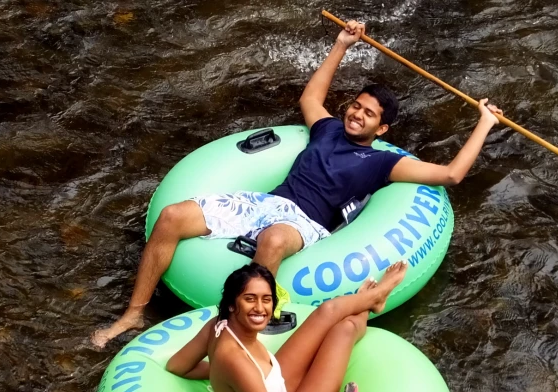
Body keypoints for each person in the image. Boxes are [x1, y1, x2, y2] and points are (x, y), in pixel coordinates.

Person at [92, 19, 502, 348]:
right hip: (264, 202)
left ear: (383, 127)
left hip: (305, 223)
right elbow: (311, 97)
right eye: (356, 106)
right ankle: (133, 313)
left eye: (368, 114)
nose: (357, 114)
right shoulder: (326, 129)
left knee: (272, 240)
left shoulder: (383, 163)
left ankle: (235, 336)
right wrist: (341, 44)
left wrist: (484, 123)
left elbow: (452, 174)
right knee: (171, 216)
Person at [165, 260, 408, 392]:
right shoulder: (237, 362)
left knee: (326, 312)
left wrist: (226, 378)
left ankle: (373, 298)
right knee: (345, 330)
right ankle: (371, 304)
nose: (260, 308)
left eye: (266, 299)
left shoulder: (218, 326)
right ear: (231, 303)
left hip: (271, 391)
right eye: (250, 299)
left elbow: (177, 366)